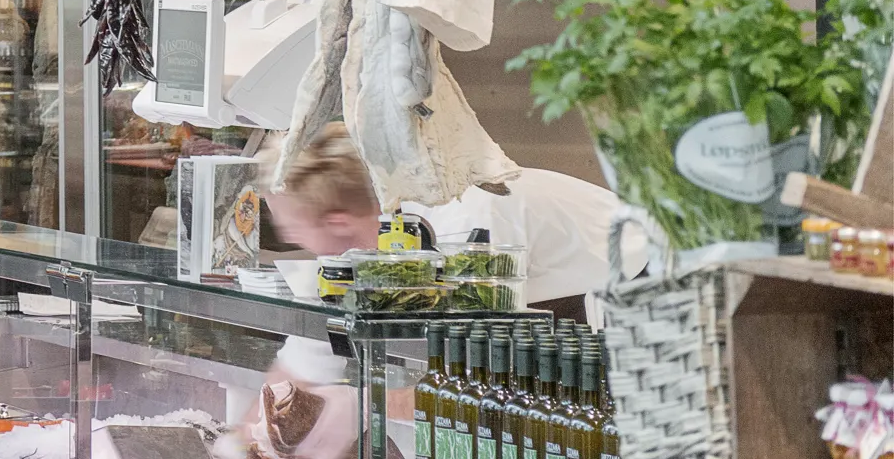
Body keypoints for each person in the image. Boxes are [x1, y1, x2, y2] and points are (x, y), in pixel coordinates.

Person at [266, 125, 647, 318]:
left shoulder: (460, 226)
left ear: (337, 221)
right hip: (564, 297)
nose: (290, 238)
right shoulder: (394, 226)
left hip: (649, 284)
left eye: (295, 229)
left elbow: (472, 350)